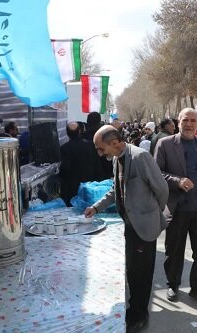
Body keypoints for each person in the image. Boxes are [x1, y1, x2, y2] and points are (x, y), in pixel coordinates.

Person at [84, 125, 168, 332]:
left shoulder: (140, 158)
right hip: (130, 226)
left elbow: (162, 189)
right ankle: (135, 308)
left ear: (114, 143)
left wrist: (151, 213)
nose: (99, 153)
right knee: (132, 270)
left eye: (100, 148)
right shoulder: (116, 159)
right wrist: (96, 207)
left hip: (144, 226)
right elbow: (115, 190)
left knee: (142, 273)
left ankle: (139, 315)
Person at [154, 108, 197, 307]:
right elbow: (156, 173)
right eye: (185, 120)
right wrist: (177, 181)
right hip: (177, 208)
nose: (189, 124)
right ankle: (173, 284)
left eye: (193, 121)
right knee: (174, 250)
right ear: (178, 122)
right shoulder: (165, 144)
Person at [59, 122, 101, 206]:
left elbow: (65, 168)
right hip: (89, 185)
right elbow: (97, 164)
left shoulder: (64, 148)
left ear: (67, 133)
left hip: (71, 187)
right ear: (79, 132)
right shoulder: (90, 145)